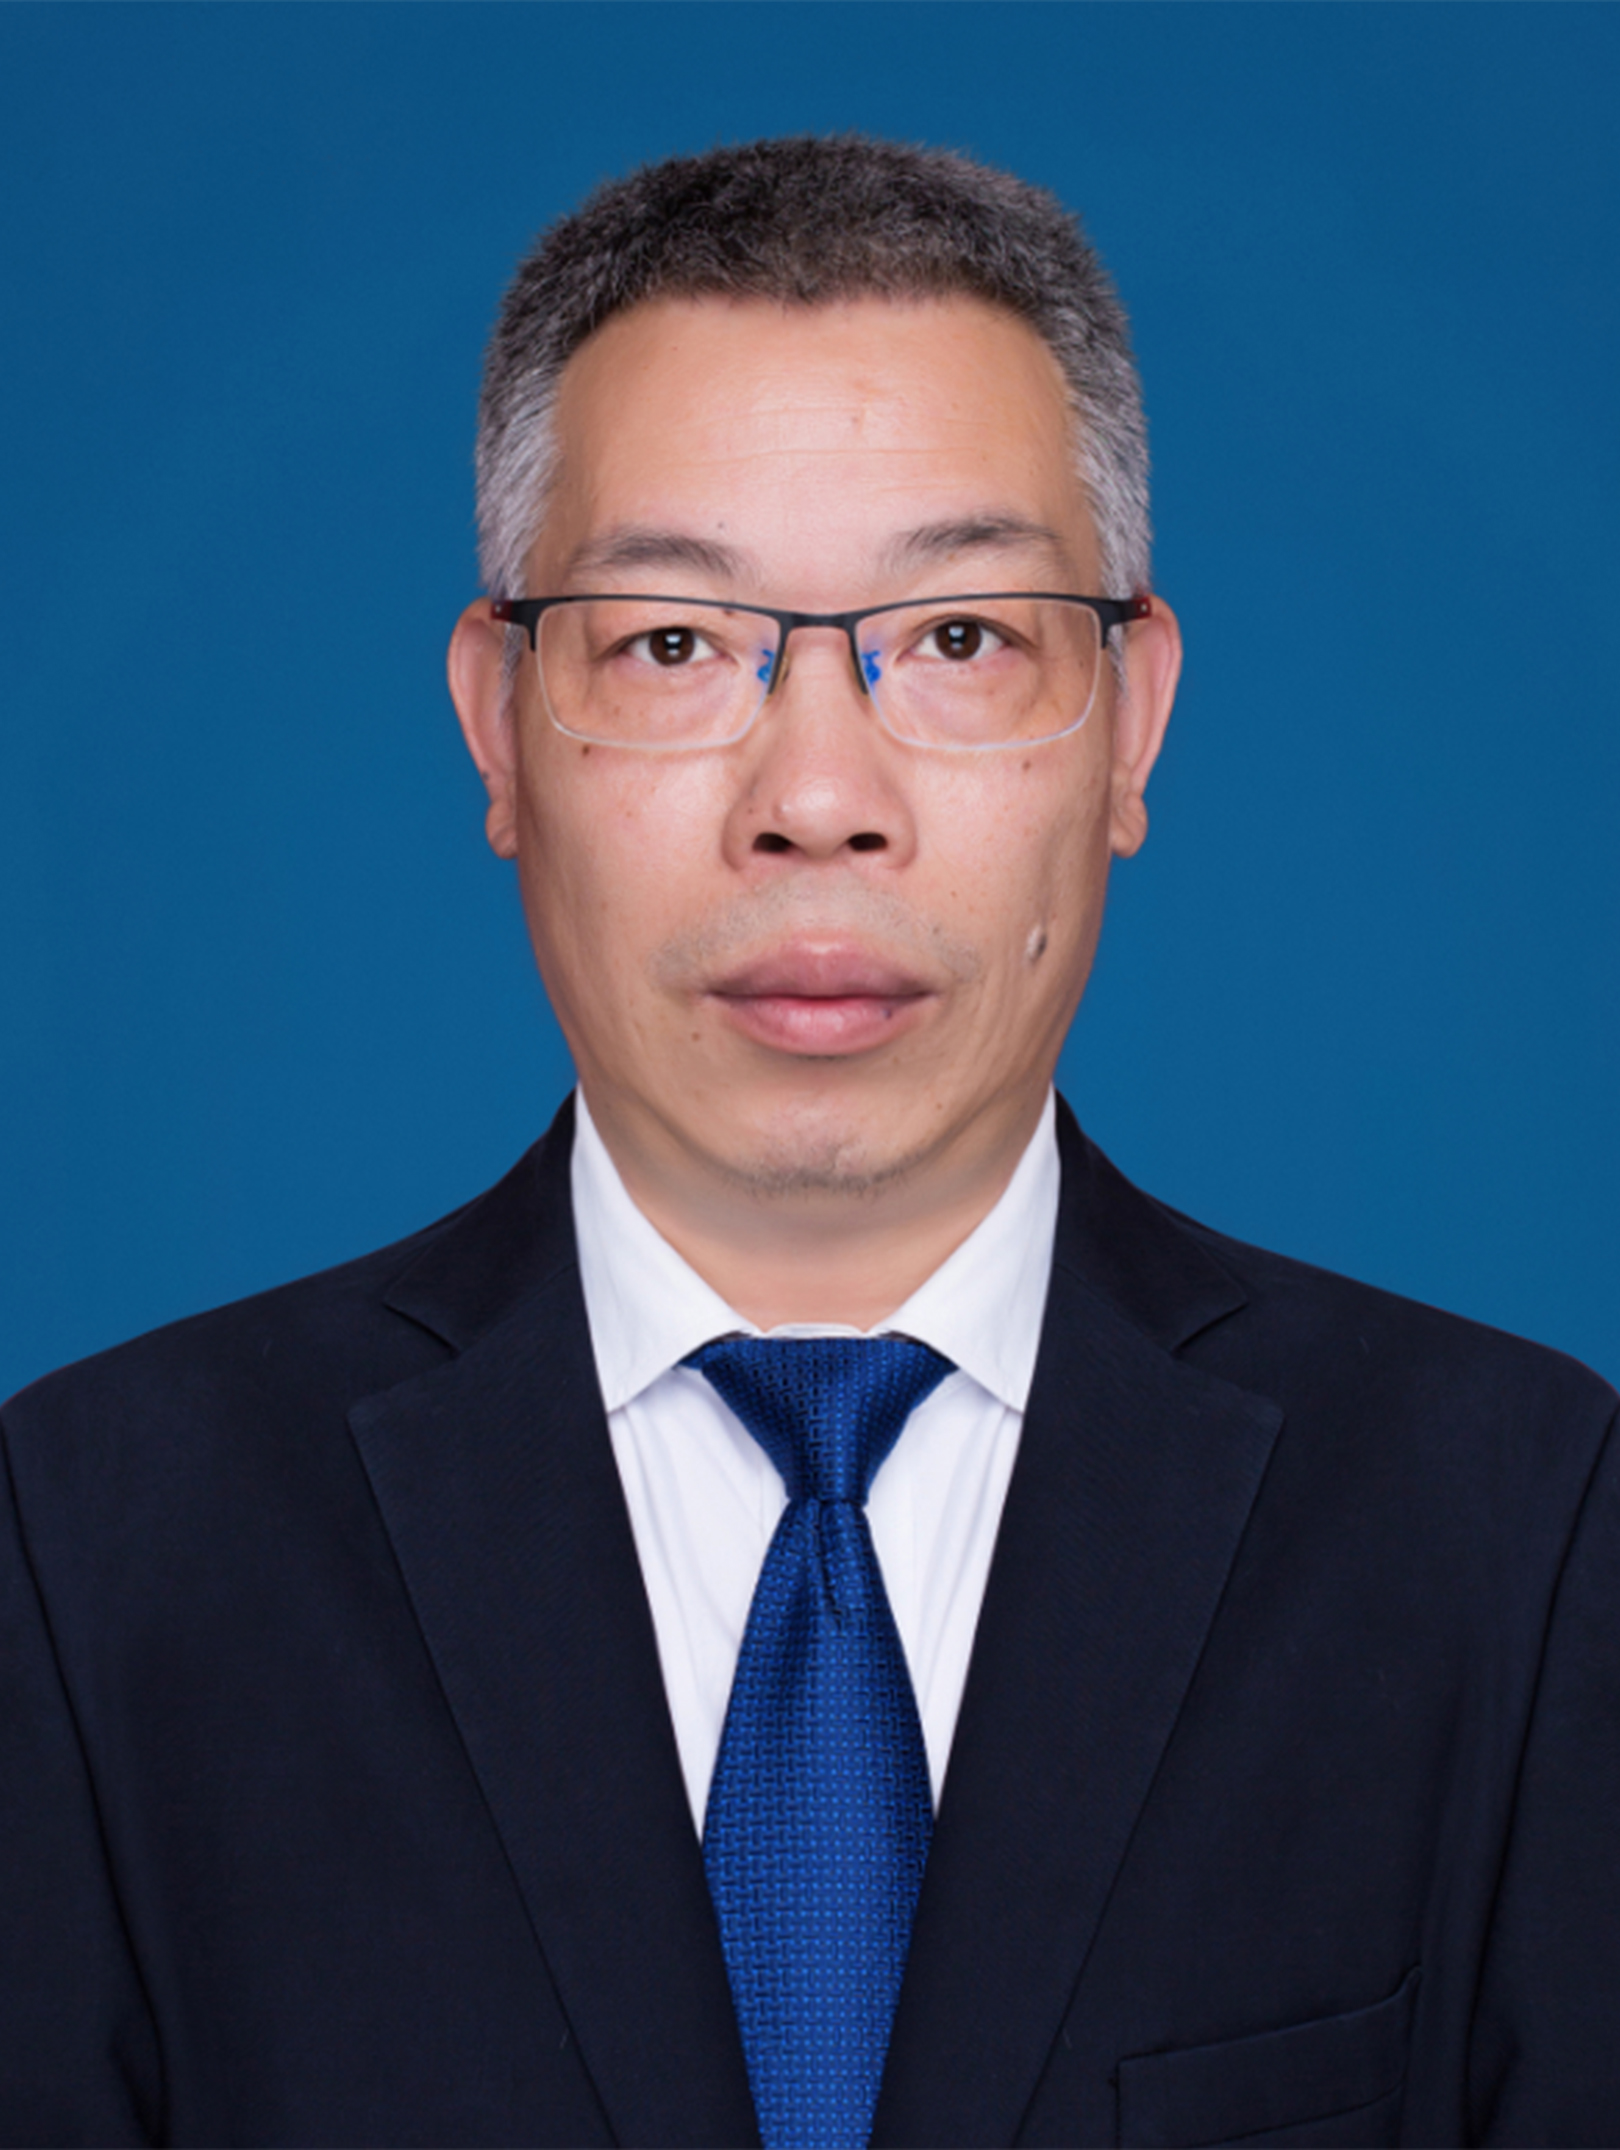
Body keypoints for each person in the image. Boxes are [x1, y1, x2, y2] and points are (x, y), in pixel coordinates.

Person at [1, 134, 1615, 2150]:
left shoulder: (1519, 1530)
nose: (820, 796)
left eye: (962, 638)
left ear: (1132, 722)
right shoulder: (95, 1553)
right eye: (673, 644)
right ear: (500, 726)